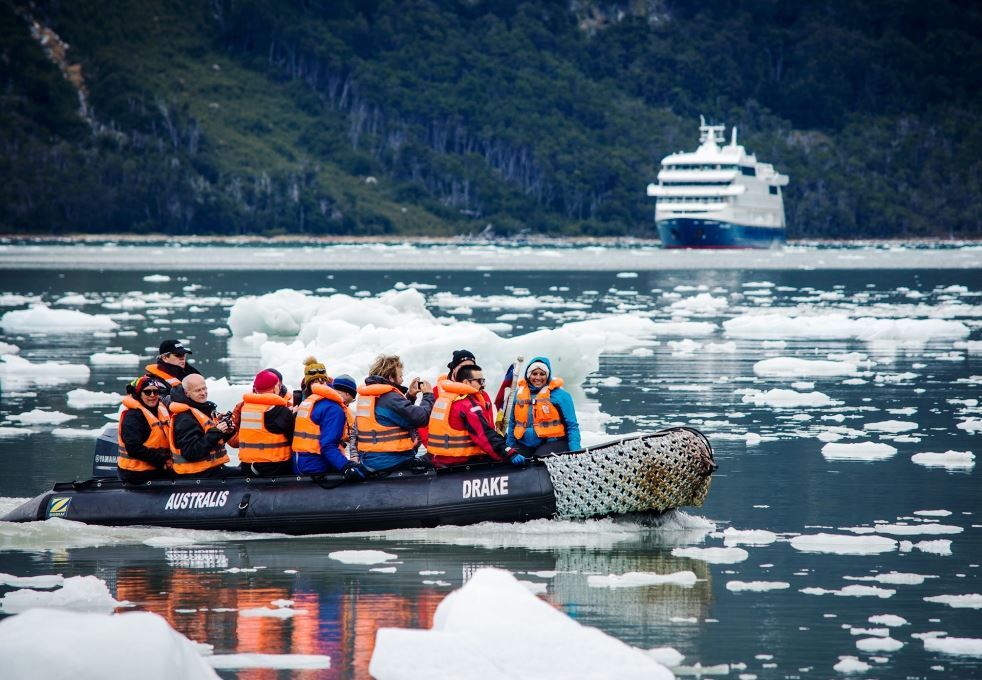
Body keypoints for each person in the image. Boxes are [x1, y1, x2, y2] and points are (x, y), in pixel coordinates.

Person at [426, 365, 526, 468]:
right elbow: (484, 435)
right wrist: (509, 452)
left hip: (440, 460)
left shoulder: (444, 399)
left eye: (483, 381)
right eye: (480, 381)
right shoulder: (467, 404)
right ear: (466, 383)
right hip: (461, 461)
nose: (483, 385)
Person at [356, 354, 434, 473]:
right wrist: (428, 396)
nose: (402, 380)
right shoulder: (390, 398)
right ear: (391, 378)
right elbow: (420, 418)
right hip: (391, 460)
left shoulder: (372, 396)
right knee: (432, 461)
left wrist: (410, 396)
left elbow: (396, 416)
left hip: (371, 460)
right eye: (400, 376)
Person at [292, 373, 365, 481]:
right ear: (347, 394)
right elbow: (327, 446)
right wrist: (346, 467)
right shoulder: (334, 409)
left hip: (298, 462)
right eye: (352, 400)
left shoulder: (313, 400)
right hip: (314, 465)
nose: (348, 404)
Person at [505, 356, 581, 457]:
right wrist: (510, 448)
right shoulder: (519, 394)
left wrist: (575, 451)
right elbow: (512, 423)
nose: (538, 378)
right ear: (528, 375)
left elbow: (572, 426)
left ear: (548, 375)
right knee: (515, 459)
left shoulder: (561, 396)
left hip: (552, 442)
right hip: (524, 443)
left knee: (539, 458)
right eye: (534, 373)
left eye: (542, 374)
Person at [419, 349, 493, 447]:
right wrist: (430, 445)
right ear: (453, 369)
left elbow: (489, 423)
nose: (467, 370)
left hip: (477, 453)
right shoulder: (437, 392)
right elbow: (423, 423)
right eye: (463, 367)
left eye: (472, 367)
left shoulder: (482, 395)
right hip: (446, 454)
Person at [168, 374, 233, 476]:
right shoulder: (185, 418)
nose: (203, 393)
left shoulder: (202, 410)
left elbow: (211, 443)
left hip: (211, 468)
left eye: (204, 389)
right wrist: (216, 432)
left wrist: (227, 432)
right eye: (198, 390)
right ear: (187, 393)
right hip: (197, 473)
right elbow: (191, 453)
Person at [236, 369, 296, 476]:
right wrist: (294, 416)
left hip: (247, 466)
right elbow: (295, 440)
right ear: (274, 388)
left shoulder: (244, 408)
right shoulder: (280, 411)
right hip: (274, 467)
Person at [117, 375, 173, 483]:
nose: (152, 395)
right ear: (139, 394)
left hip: (159, 467)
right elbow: (133, 448)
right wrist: (162, 461)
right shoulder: (133, 416)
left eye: (155, 392)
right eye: (148, 392)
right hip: (137, 473)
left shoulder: (160, 411)